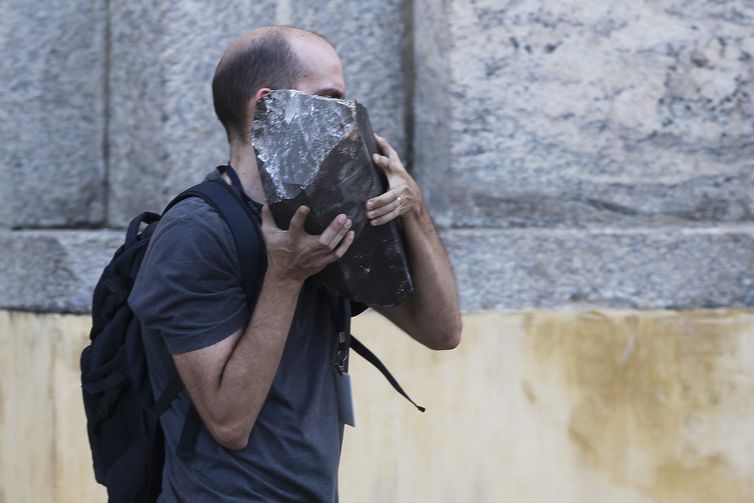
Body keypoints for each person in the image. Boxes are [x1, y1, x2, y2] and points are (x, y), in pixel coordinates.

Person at [128, 25, 461, 502]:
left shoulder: (328, 211)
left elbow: (441, 332)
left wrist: (416, 210)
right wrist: (285, 276)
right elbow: (228, 422)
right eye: (329, 97)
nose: (346, 115)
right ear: (268, 105)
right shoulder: (195, 234)